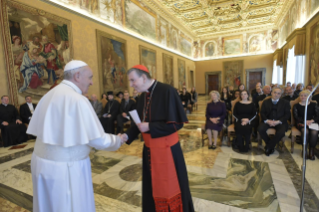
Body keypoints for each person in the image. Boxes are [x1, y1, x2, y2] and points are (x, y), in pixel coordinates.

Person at [27, 60, 123, 212]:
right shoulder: (78, 100)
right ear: (77, 76)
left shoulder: (49, 94)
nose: (92, 83)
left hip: (41, 163)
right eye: (90, 77)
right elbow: (97, 139)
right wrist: (117, 140)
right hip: (66, 169)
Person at [118, 65, 194, 212]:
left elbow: (177, 124)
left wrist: (151, 127)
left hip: (168, 152)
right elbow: (139, 124)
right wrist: (126, 135)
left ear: (144, 77)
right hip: (149, 151)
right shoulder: (142, 97)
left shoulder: (167, 91)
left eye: (133, 80)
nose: (131, 84)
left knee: (171, 187)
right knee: (151, 186)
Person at [258, 87, 291, 156]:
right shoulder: (266, 102)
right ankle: (270, 144)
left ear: (280, 95)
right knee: (260, 129)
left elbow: (287, 114)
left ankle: (269, 146)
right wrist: (267, 120)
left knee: (281, 132)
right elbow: (262, 113)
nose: (276, 94)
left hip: (280, 122)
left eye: (278, 93)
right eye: (275, 92)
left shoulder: (285, 103)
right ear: (271, 93)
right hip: (268, 120)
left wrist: (278, 121)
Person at [293, 90, 319, 160]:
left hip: (312, 123)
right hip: (301, 123)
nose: (303, 97)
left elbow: (318, 115)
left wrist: (311, 121)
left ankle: (311, 150)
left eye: (305, 95)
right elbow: (296, 117)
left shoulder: (314, 104)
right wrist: (305, 121)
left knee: (314, 132)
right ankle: (304, 150)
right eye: (301, 95)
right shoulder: (296, 106)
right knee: (305, 132)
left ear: (309, 96)